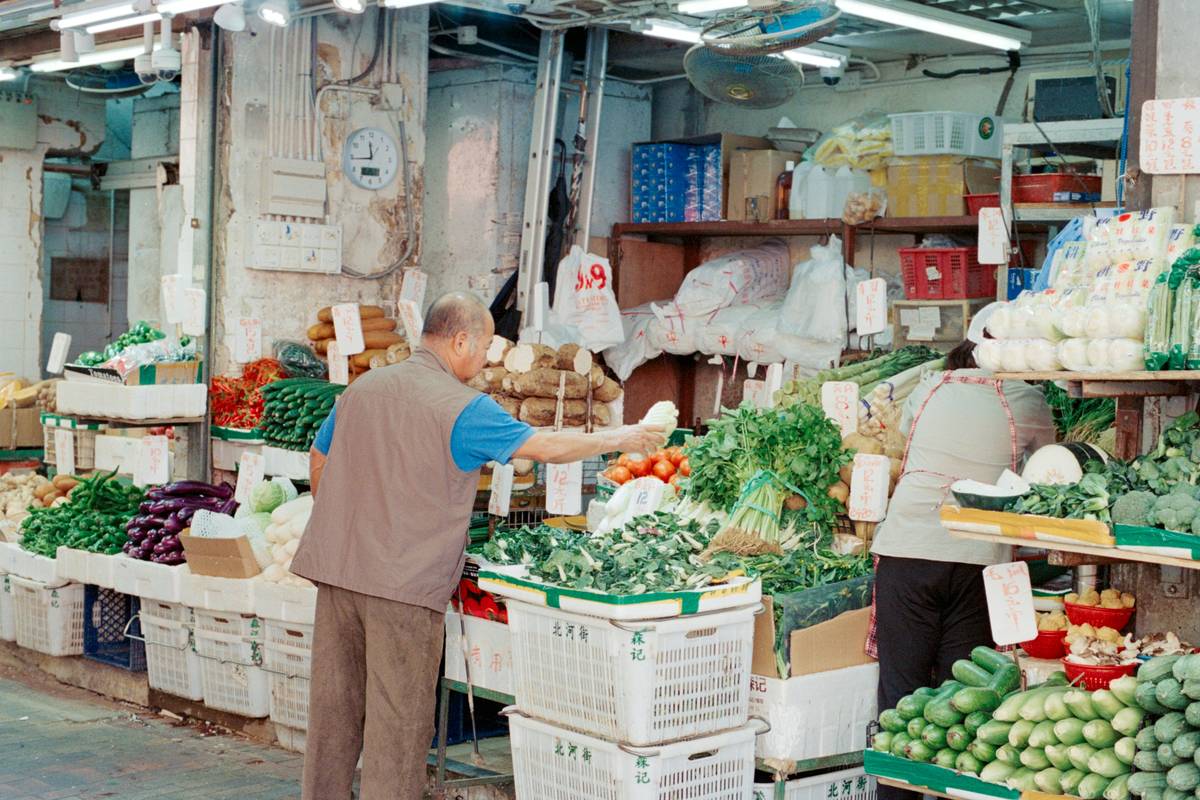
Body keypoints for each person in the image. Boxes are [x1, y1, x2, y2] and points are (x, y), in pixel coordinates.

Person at [291, 291, 665, 800]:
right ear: (460, 339)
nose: (488, 356)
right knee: (395, 729)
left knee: (333, 715)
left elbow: (319, 454)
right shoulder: (463, 408)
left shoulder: (365, 387)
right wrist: (620, 438)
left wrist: (344, 524)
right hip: (402, 589)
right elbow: (545, 446)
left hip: (337, 576)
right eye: (485, 345)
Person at [869, 304, 1055, 799]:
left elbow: (911, 439)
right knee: (964, 699)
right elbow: (1044, 465)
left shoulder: (930, 387)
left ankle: (898, 791)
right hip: (979, 558)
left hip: (909, 548)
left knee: (901, 696)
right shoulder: (1028, 399)